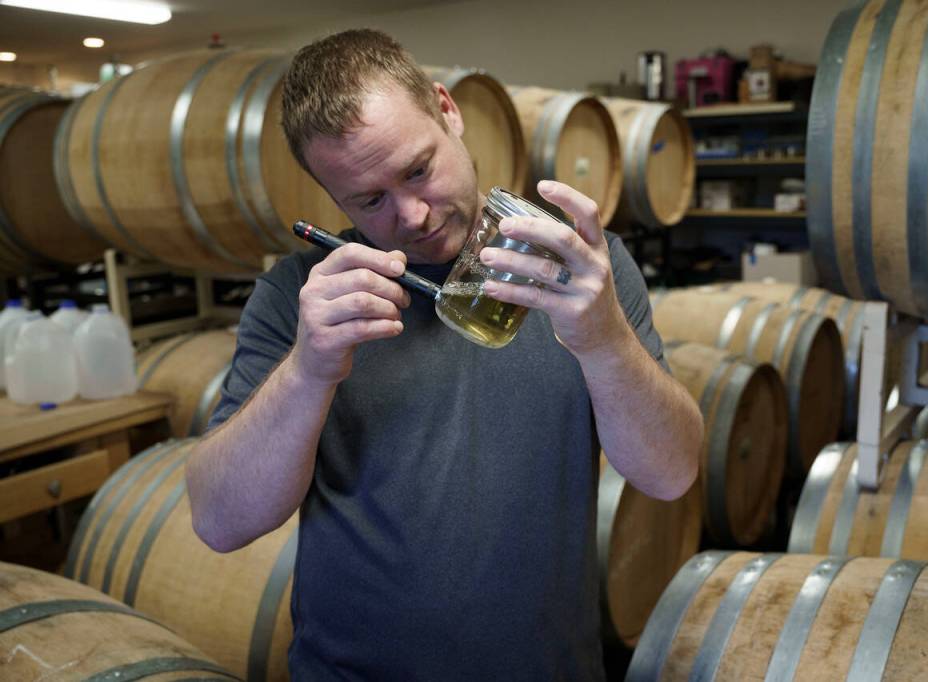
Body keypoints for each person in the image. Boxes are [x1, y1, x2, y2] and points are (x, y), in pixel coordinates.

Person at [185, 28, 702, 681]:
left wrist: (603, 339)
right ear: (330, 198)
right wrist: (307, 370)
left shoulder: (578, 271)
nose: (413, 215)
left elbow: (671, 473)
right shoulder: (300, 296)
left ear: (446, 109)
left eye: (418, 170)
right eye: (369, 200)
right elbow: (220, 521)